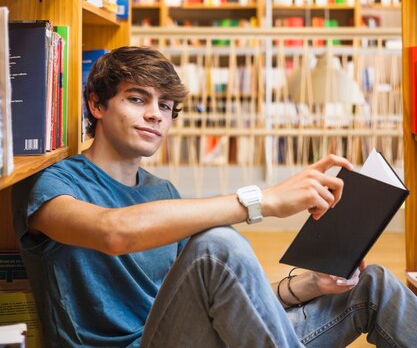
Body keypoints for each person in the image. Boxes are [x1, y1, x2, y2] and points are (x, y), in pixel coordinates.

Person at [12, 46, 417, 348]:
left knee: (372, 285)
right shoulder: (53, 183)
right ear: (96, 104)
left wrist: (309, 285)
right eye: (138, 99)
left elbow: (221, 293)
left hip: (189, 336)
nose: (156, 114)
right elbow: (112, 232)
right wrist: (261, 201)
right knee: (217, 244)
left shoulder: (162, 192)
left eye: (166, 106)